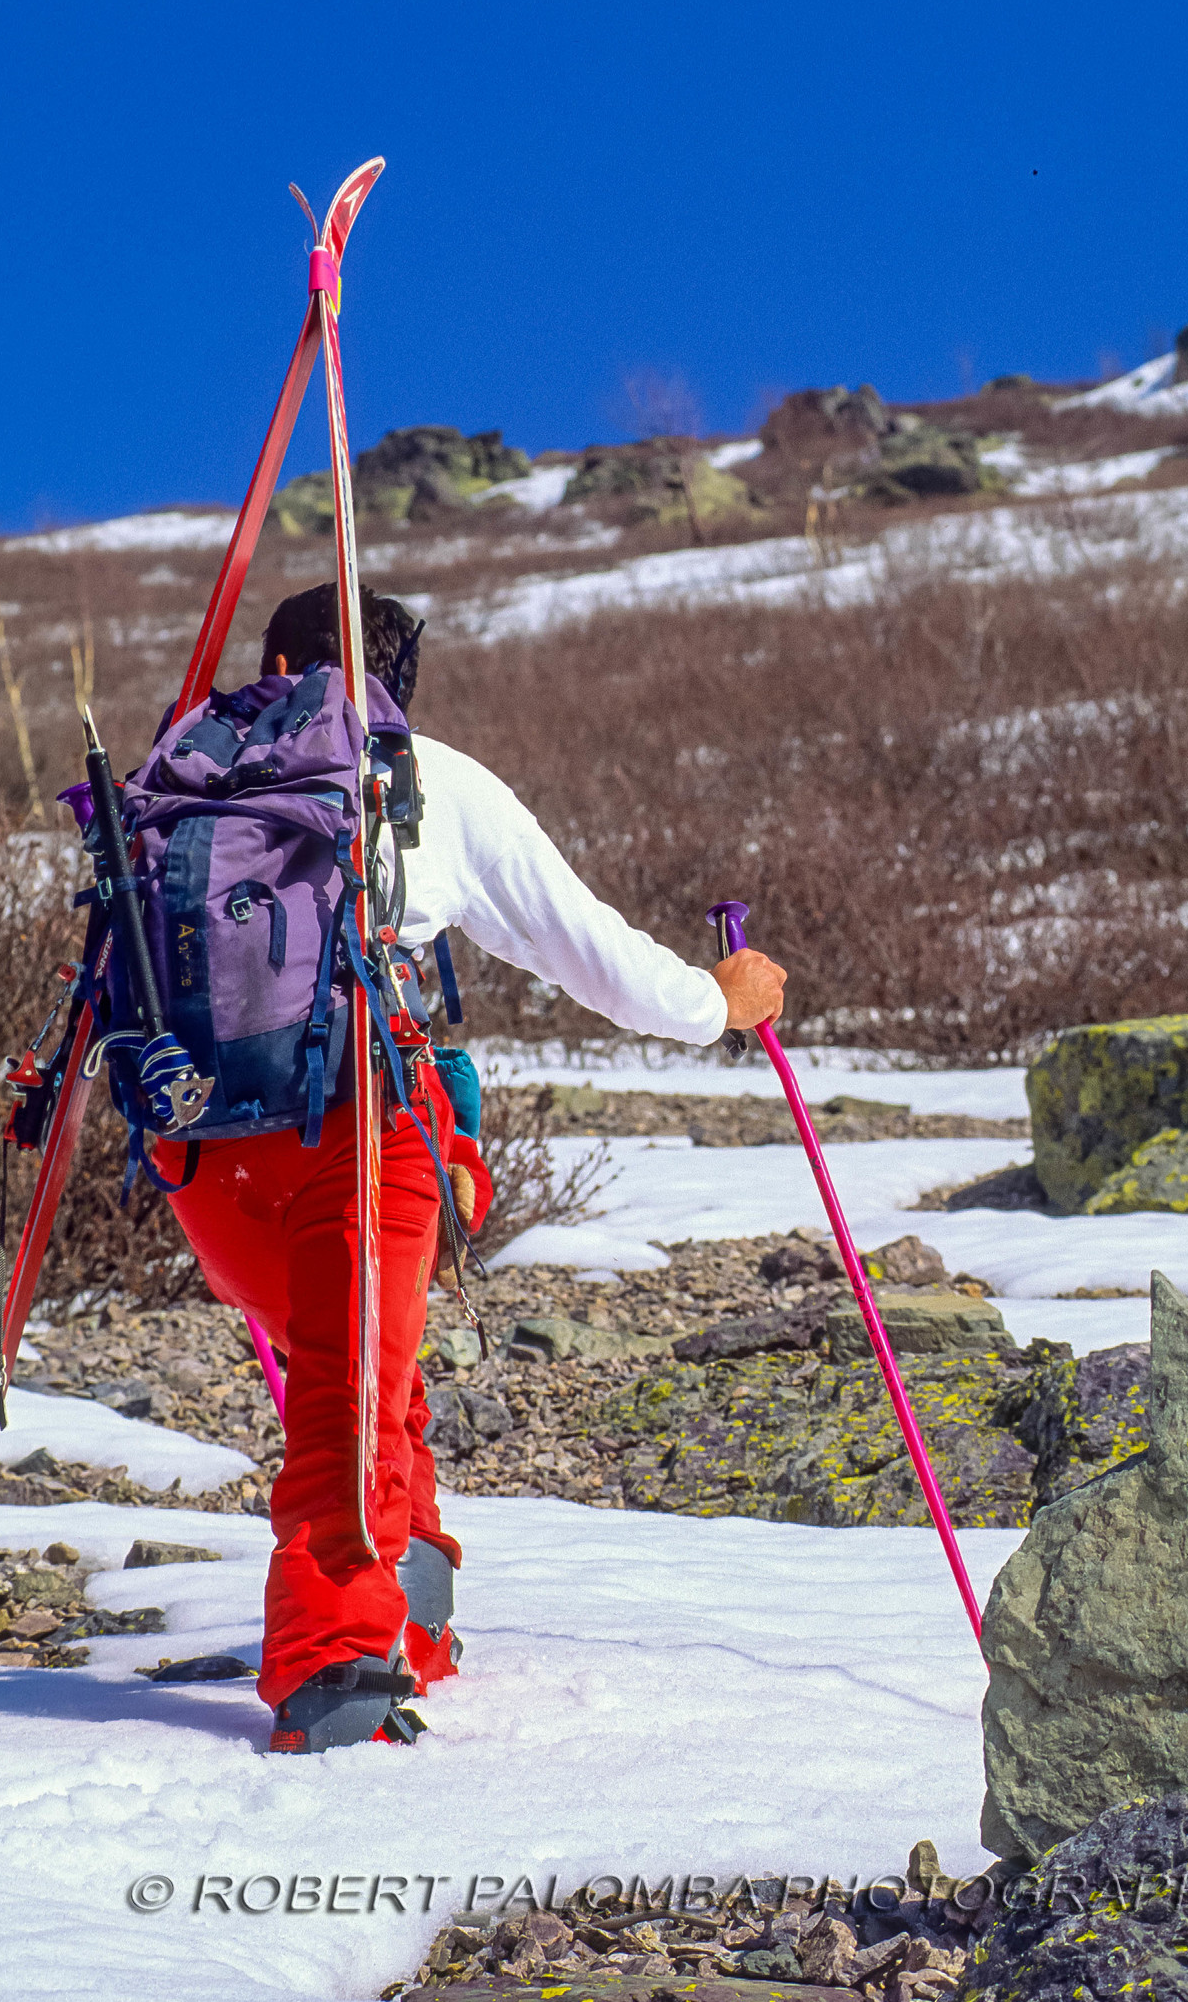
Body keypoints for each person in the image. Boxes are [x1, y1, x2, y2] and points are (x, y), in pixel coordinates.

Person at [158, 580, 786, 1753]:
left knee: (360, 1374)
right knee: (353, 1400)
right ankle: (336, 1670)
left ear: (276, 658)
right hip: (361, 1129)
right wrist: (718, 1002)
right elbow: (593, 954)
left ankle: (414, 1606)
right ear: (403, 679)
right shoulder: (422, 776)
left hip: (201, 1150)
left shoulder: (188, 776)